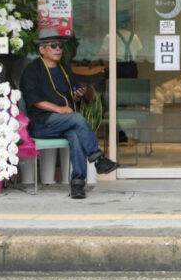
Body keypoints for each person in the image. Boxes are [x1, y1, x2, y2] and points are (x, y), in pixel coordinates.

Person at [20, 27, 119, 199]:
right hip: (42, 123)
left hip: (66, 120)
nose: (58, 49)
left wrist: (77, 95)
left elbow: (72, 95)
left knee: (75, 134)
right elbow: (34, 100)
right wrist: (59, 109)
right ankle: (99, 158)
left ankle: (77, 185)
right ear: (42, 49)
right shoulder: (32, 70)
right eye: (53, 45)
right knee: (77, 118)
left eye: (60, 45)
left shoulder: (65, 69)